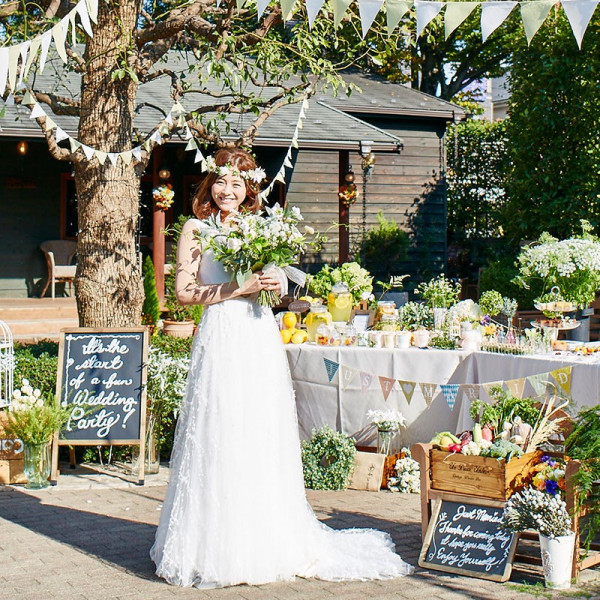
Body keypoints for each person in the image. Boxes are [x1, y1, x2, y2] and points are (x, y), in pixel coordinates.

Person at [150, 148, 413, 588]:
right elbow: (182, 293)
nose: (227, 190)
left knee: (258, 431)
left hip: (257, 337)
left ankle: (263, 538)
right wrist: (239, 287)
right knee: (219, 429)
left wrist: (275, 284)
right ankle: (210, 544)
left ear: (249, 188)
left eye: (237, 183)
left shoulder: (260, 228)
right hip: (220, 337)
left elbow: (275, 290)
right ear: (209, 184)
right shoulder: (196, 228)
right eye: (221, 181)